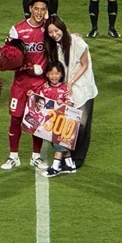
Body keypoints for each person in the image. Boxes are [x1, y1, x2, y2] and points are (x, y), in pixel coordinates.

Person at [1, 0, 50, 171]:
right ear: (30, 9)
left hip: (40, 84)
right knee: (16, 119)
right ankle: (13, 156)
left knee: (37, 121)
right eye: (36, 8)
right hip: (21, 84)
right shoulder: (17, 30)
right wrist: (28, 67)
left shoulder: (49, 29)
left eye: (42, 9)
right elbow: (7, 57)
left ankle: (35, 156)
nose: (39, 12)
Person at [44, 15, 98, 168]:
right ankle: (65, 156)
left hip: (82, 86)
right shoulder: (53, 46)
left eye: (56, 30)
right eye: (50, 32)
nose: (54, 34)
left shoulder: (77, 42)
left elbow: (84, 64)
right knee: (65, 121)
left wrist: (71, 82)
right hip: (65, 87)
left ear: (62, 27)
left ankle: (77, 158)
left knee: (82, 124)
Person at [38, 61, 78, 178]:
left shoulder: (65, 88)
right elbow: (40, 102)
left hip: (62, 121)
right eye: (51, 73)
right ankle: (70, 166)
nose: (54, 76)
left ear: (61, 74)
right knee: (62, 145)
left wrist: (64, 103)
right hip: (51, 121)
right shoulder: (44, 88)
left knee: (59, 146)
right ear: (47, 74)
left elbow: (71, 102)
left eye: (57, 73)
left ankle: (55, 168)